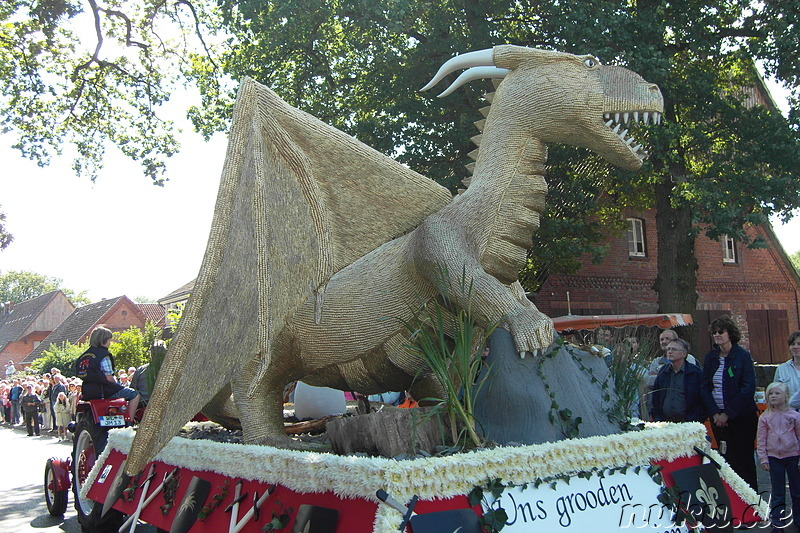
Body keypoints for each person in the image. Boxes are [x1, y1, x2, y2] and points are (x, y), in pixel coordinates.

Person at [701, 315, 759, 490]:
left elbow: (748, 388)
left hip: (741, 417)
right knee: (726, 459)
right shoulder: (711, 357)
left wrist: (728, 413)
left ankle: (752, 502)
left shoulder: (742, 356)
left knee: (744, 460)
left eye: (721, 332)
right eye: (714, 333)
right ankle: (731, 500)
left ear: (730, 334)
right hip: (718, 418)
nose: (717, 335)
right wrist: (715, 413)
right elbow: (705, 387)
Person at [757, 382, 800, 531]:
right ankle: (778, 522)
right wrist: (763, 458)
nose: (773, 396)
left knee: (797, 490)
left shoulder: (794, 416)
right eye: (770, 393)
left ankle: (798, 519)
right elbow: (761, 440)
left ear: (786, 397)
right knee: (777, 492)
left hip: (793, 457)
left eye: (777, 393)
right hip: (774, 458)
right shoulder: (764, 418)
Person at [75, 326, 140, 418]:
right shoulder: (103, 355)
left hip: (87, 391)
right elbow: (109, 378)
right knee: (134, 394)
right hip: (104, 390)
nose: (110, 343)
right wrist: (118, 385)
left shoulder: (83, 356)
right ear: (103, 341)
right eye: (109, 340)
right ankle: (130, 420)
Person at [650, 338, 706, 422]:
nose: (670, 351)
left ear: (684, 353)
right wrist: (658, 418)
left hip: (689, 423)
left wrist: (695, 419)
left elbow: (702, 398)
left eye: (674, 349)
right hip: (665, 423)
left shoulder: (695, 372)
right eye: (668, 349)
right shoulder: (663, 371)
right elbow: (656, 397)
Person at [774, 331, 800, 399]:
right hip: (788, 409)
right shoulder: (782, 369)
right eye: (792, 344)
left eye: (799, 344)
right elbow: (775, 393)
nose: (795, 347)